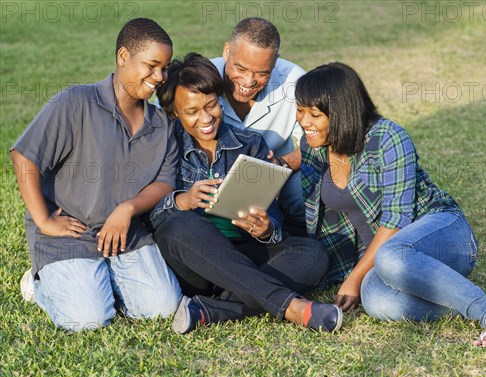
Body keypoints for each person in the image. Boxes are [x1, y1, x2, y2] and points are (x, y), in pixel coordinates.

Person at [295, 62, 486, 347]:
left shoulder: (387, 138)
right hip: (379, 265)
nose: (303, 121)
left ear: (342, 113)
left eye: (314, 114)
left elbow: (396, 221)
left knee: (391, 256)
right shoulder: (313, 148)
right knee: (377, 301)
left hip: (441, 234)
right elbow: (310, 208)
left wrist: (355, 276)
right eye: (300, 110)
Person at [148, 53, 342, 333]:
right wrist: (183, 201)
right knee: (179, 224)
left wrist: (266, 229)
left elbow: (272, 215)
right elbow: (148, 217)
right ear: (175, 113)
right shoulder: (164, 148)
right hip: (192, 265)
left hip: (244, 253)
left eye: (211, 105)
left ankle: (213, 310)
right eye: (192, 112)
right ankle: (292, 307)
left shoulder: (250, 144)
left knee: (312, 254)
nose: (206, 118)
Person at [11, 18, 182, 332]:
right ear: (122, 57)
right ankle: (41, 283)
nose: (159, 77)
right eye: (152, 65)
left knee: (162, 308)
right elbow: (24, 157)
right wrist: (45, 221)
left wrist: (127, 208)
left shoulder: (163, 124)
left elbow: (166, 181)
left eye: (165, 67)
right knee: (88, 319)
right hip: (71, 235)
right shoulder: (76, 102)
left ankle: (96, 279)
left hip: (125, 234)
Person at [210, 17, 306, 230]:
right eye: (240, 68)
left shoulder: (294, 82)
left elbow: (320, 139)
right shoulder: (198, 78)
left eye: (262, 73)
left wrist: (281, 164)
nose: (248, 81)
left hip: (277, 179)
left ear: (275, 61)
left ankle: (298, 240)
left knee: (302, 192)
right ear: (227, 51)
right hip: (208, 178)